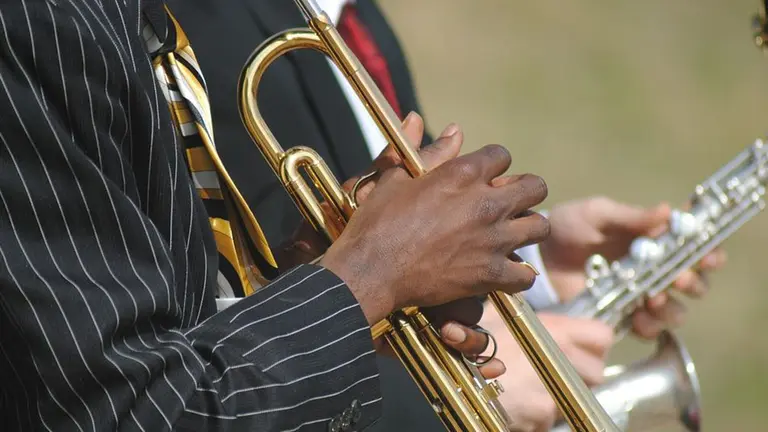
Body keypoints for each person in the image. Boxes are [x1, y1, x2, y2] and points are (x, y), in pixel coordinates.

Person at [169, 0, 726, 430]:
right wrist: (446, 400)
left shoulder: (355, 18)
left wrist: (537, 261)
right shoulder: (207, 36)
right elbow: (253, 312)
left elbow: (401, 233)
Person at [0, 1, 551, 431]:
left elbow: (155, 329)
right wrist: (370, 274)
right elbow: (128, 412)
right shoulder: (42, 19)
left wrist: (310, 280)